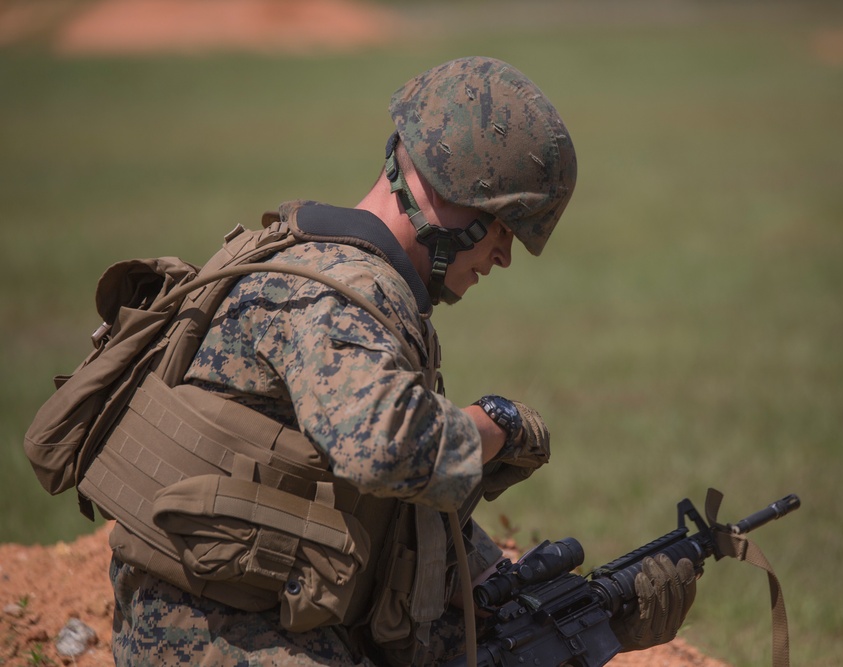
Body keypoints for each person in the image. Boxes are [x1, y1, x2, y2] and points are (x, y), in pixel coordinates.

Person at [107, 56, 696, 666]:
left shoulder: (339, 274)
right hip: (212, 632)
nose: (504, 258)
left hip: (264, 612)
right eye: (502, 230)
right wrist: (498, 424)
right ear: (457, 193)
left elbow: (389, 528)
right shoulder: (337, 290)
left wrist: (595, 619)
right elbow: (384, 448)